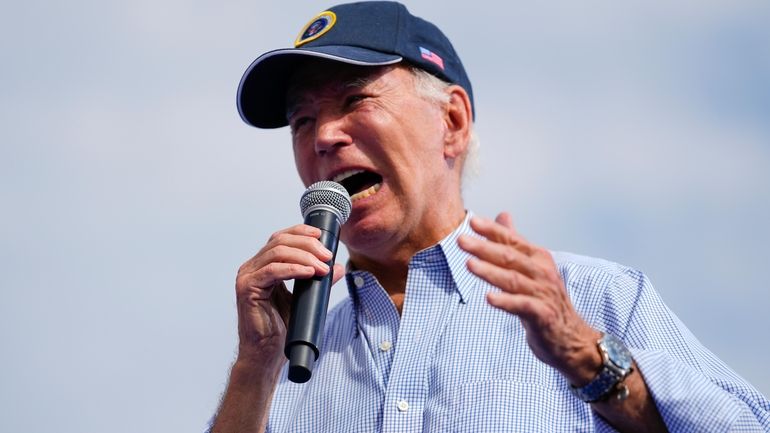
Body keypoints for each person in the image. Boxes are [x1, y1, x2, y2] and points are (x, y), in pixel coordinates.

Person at [209, 2, 770, 432]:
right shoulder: (278, 365)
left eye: (355, 100)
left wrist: (588, 359)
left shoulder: (594, 300)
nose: (325, 136)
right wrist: (254, 368)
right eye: (302, 121)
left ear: (451, 121)